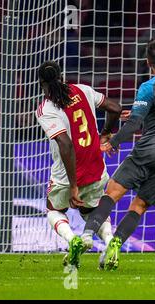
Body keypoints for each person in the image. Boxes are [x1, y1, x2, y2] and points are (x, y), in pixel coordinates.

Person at [79, 38, 155, 270]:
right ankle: (115, 246)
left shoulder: (148, 87)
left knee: (112, 192)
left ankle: (86, 235)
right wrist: (140, 114)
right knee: (139, 205)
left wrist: (112, 142)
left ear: (147, 62)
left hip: (150, 150)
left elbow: (134, 125)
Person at [35, 61, 122, 268]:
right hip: (96, 169)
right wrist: (105, 134)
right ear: (62, 76)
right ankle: (110, 241)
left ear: (41, 83)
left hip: (66, 176)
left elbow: (65, 144)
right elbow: (116, 108)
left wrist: (73, 185)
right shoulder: (83, 90)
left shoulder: (45, 109)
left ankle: (72, 239)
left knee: (54, 210)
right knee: (91, 212)